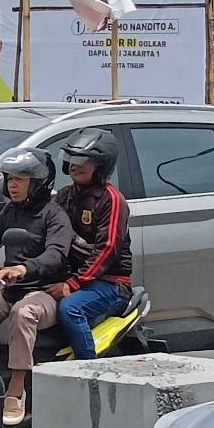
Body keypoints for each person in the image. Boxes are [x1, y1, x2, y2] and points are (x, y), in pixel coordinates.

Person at [0, 148, 73, 428]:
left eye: (19, 179)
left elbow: (56, 255)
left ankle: (16, 390)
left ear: (37, 182)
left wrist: (23, 269)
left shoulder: (54, 216)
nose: (12, 185)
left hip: (43, 294)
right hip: (8, 291)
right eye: (9, 178)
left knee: (23, 313)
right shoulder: (10, 212)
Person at [43, 126, 133, 358]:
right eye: (71, 159)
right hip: (75, 277)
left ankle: (88, 370)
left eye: (84, 160)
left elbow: (108, 248)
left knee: (70, 309)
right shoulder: (65, 195)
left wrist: (72, 284)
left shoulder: (111, 200)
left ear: (101, 166)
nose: (75, 164)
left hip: (110, 283)